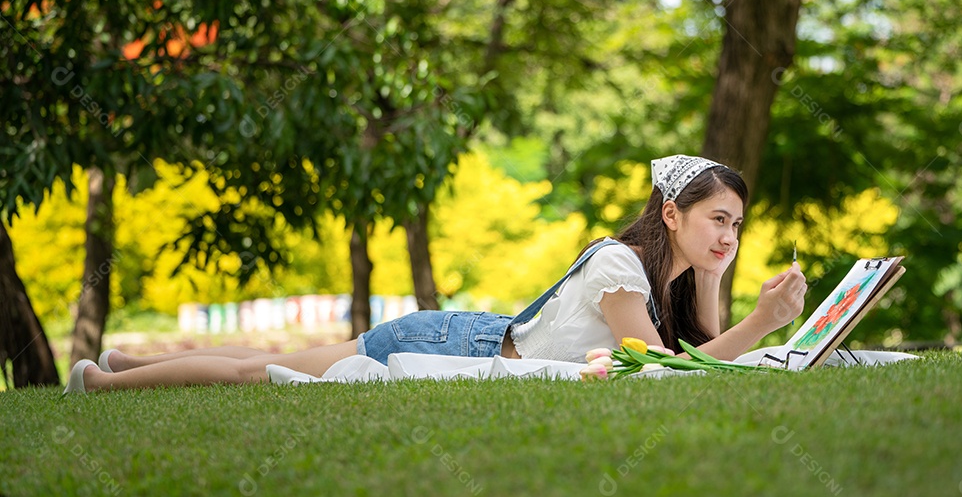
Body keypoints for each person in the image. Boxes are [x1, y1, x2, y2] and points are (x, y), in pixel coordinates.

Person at [64, 154, 806, 393]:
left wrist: (714, 279)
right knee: (262, 370)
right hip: (450, 341)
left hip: (471, 338)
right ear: (672, 213)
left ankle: (128, 362)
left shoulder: (668, 279)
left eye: (737, 225)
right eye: (718, 220)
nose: (729, 235)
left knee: (268, 362)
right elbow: (658, 371)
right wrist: (762, 322)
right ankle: (104, 381)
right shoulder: (619, 264)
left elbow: (698, 360)